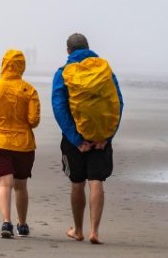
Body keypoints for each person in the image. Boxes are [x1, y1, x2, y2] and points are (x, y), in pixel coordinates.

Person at [52, 33, 123, 244]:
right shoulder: (105, 69)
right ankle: (95, 231)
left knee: (77, 183)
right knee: (96, 182)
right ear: (88, 47)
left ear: (68, 51)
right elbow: (118, 102)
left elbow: (59, 108)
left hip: (76, 139)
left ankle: (78, 230)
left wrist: (76, 139)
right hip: (101, 136)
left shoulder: (63, 73)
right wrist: (107, 136)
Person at [0, 49, 41, 239]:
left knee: (4, 184)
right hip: (23, 144)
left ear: (3, 64)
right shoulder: (29, 90)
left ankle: (6, 221)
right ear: (22, 66)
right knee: (20, 186)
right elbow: (34, 120)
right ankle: (22, 225)